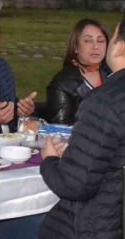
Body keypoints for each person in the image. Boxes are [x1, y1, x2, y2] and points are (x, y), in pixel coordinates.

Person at [39, 14, 125, 238]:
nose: (97, 46)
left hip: (99, 225)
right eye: (88, 40)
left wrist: (48, 160)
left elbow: (74, 185)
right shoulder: (69, 83)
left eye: (107, 38)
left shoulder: (104, 102)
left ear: (119, 48)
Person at [45, 18, 110, 124]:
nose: (96, 46)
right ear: (76, 47)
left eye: (101, 41)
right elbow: (61, 131)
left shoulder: (113, 75)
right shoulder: (63, 84)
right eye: (88, 41)